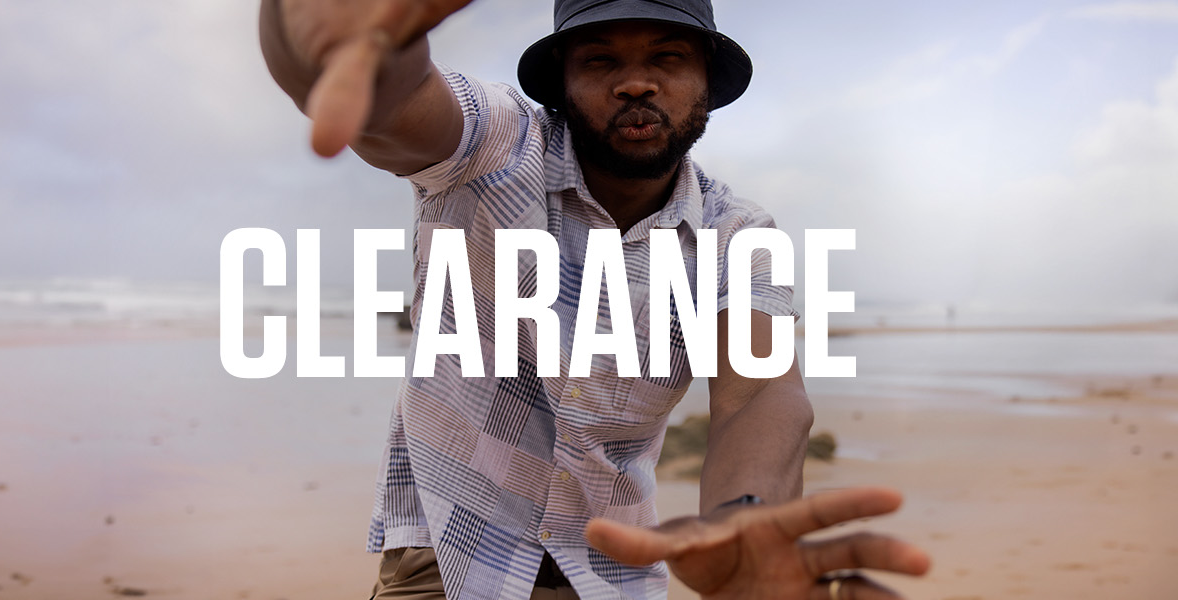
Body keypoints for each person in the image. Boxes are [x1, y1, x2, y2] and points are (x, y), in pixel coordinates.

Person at [258, 1, 934, 598]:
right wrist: (326, 45)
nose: (636, 81)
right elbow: (398, 109)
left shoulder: (736, 234)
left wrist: (741, 514)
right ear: (561, 83)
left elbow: (756, 390)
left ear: (707, 82)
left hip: (614, 568)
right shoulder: (495, 147)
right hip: (447, 557)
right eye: (601, 58)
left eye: (667, 58)